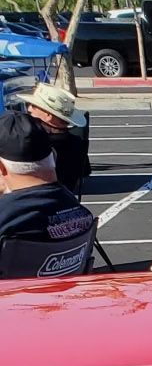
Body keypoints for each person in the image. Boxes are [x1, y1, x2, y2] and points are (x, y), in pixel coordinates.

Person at [0, 110, 96, 272]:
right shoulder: (82, 215)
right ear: (54, 156)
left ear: (1, 167)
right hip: (66, 287)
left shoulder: (7, 219)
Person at [23, 79, 90, 195]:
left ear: (48, 115)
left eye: (33, 105)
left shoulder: (35, 142)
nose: (28, 108)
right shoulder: (76, 142)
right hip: (62, 198)